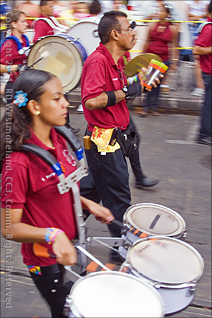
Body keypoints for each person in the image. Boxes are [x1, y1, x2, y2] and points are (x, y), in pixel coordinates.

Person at [0, 69, 114, 318]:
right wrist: (53, 234)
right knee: (66, 311)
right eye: (57, 98)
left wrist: (85, 203)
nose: (66, 103)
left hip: (73, 244)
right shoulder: (18, 164)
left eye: (64, 96)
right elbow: (9, 227)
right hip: (44, 261)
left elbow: (57, 189)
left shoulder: (58, 138)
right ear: (34, 106)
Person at [81, 11, 160, 240]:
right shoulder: (98, 61)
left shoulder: (117, 60)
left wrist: (139, 85)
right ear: (115, 34)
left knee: (93, 188)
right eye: (129, 29)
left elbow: (119, 92)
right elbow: (92, 100)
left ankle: (64, 229)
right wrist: (126, 91)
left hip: (114, 137)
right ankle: (122, 251)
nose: (133, 33)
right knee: (119, 199)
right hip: (103, 143)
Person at [33, 0, 79, 133]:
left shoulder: (51, 20)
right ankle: (61, 126)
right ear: (42, 8)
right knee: (60, 92)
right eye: (50, 6)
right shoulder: (41, 22)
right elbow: (39, 42)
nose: (52, 8)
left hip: (55, 62)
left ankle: (64, 125)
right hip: (50, 64)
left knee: (63, 91)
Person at [140, 3, 178, 116]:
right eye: (158, 11)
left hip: (164, 58)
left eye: (161, 11)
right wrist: (142, 55)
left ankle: (153, 107)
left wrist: (174, 61)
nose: (159, 13)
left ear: (167, 14)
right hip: (151, 57)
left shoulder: (172, 28)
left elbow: (174, 45)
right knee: (148, 83)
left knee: (158, 84)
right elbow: (147, 41)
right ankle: (146, 107)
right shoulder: (152, 26)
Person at [0, 10, 29, 104]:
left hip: (25, 84)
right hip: (14, 86)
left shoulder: (25, 40)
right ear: (14, 24)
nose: (26, 24)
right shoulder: (9, 43)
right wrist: (15, 68)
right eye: (23, 21)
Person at [193, 0, 212, 146]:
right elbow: (197, 49)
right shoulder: (209, 29)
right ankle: (203, 134)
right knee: (208, 104)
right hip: (210, 73)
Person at [187, 0, 209, 97]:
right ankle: (200, 87)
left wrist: (196, 17)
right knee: (197, 59)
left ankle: (201, 87)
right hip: (195, 29)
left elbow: (206, 13)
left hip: (202, 28)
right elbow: (188, 15)